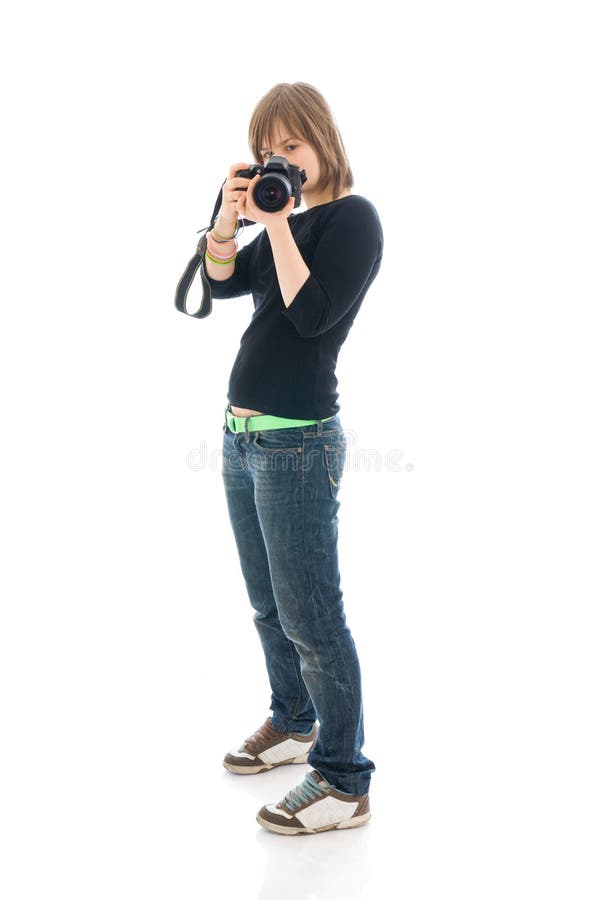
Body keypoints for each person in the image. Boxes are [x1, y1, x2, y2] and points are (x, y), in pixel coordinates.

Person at [203, 82, 384, 835]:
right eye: (268, 153)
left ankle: (343, 779)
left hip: (297, 442)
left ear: (324, 142)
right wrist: (226, 219)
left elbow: (312, 318)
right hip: (242, 438)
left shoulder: (351, 220)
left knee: (312, 614)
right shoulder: (286, 218)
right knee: (269, 604)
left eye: (293, 147)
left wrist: (276, 224)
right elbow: (219, 283)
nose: (281, 162)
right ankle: (294, 717)